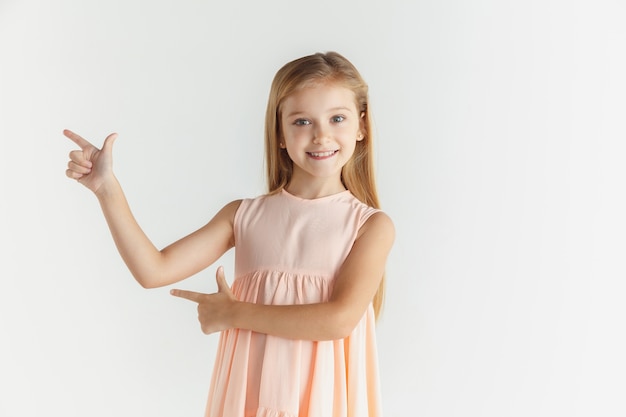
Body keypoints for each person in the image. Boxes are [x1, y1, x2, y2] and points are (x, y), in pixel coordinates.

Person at [64, 51, 395, 417]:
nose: (321, 135)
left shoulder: (370, 226)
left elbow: (338, 320)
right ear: (280, 134)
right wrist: (106, 189)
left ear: (361, 126)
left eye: (337, 118)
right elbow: (153, 270)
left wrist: (233, 314)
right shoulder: (244, 216)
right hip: (246, 402)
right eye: (302, 121)